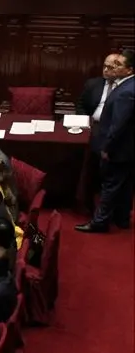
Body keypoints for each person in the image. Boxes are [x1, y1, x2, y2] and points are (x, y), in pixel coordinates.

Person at [77, 48, 134, 233]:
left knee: (110, 186)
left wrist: (106, 148)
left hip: (118, 148)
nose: (113, 68)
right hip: (127, 148)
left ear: (129, 69)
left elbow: (117, 126)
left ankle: (99, 223)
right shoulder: (127, 85)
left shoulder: (125, 91)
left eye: (118, 64)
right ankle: (122, 219)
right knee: (124, 185)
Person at [77, 53, 122, 122]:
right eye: (104, 66)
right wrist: (86, 121)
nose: (105, 70)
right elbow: (80, 105)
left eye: (110, 67)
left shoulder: (125, 86)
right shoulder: (92, 84)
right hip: (93, 124)